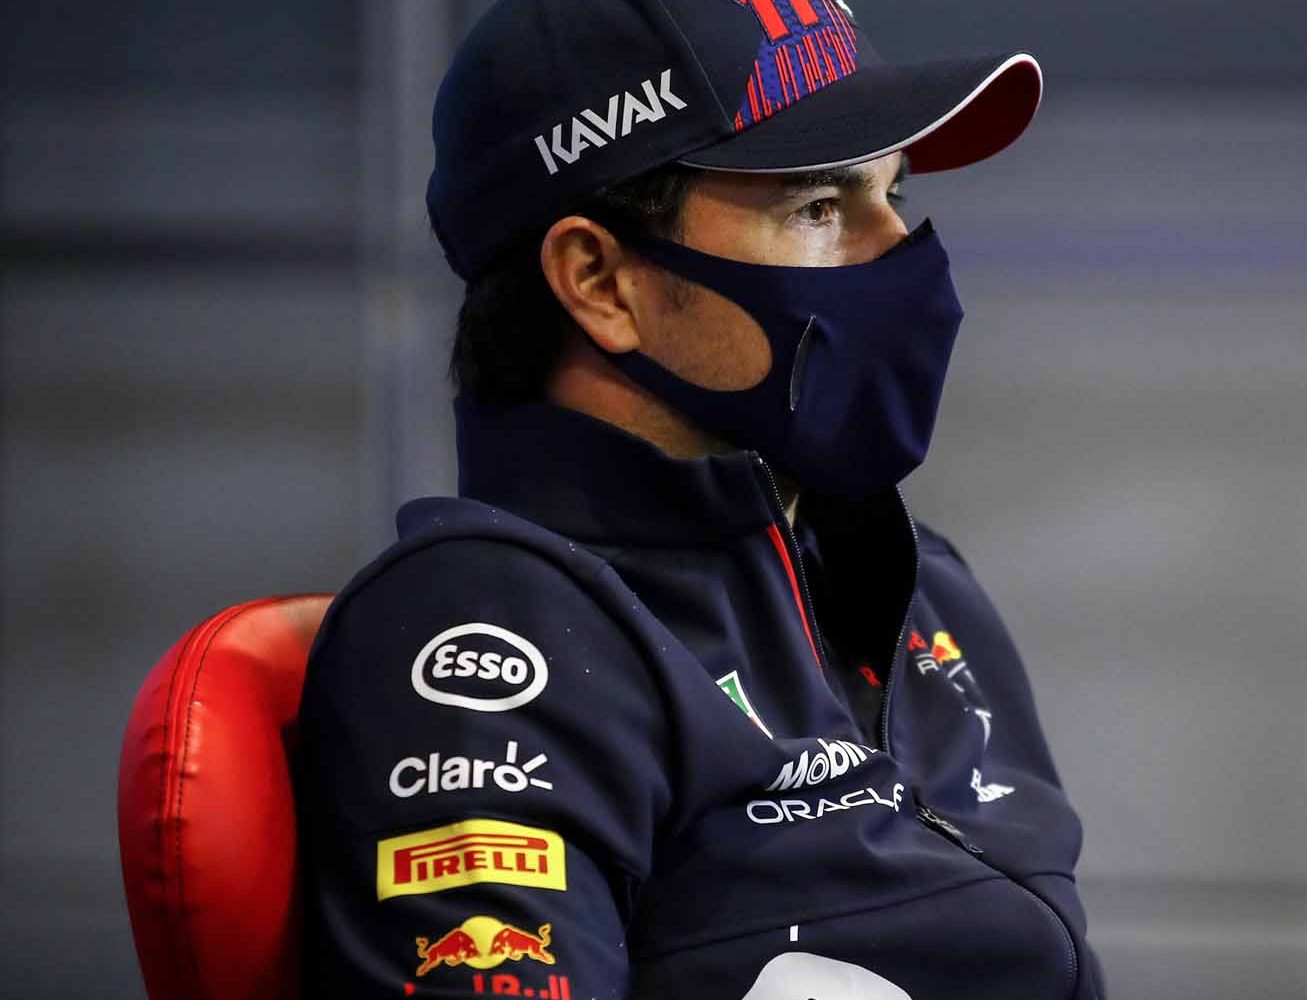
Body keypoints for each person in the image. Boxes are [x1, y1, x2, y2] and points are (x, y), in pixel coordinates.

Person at [297, 1, 1104, 997]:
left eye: (894, 191)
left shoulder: (920, 587)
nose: (899, 246)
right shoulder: (491, 636)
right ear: (600, 281)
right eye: (817, 207)